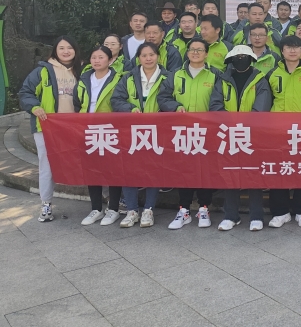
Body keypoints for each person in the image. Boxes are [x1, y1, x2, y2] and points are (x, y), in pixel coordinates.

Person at [158, 38, 219, 230]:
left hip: (206, 131)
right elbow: (163, 97)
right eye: (192, 49)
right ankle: (184, 210)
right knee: (184, 170)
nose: (195, 52)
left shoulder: (215, 75)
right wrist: (175, 106)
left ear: (206, 54)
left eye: (200, 50)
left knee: (205, 170)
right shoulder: (175, 74)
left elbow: (220, 101)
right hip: (182, 132)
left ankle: (203, 208)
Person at [210, 46, 273, 231]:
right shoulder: (222, 80)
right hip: (228, 134)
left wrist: (245, 125)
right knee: (230, 174)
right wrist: (230, 124)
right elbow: (215, 104)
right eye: (237, 57)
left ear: (251, 59)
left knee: (253, 174)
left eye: (244, 56)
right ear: (230, 60)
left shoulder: (260, 80)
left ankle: (256, 216)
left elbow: (261, 107)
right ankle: (231, 216)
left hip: (252, 135)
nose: (241, 59)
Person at [19, 36, 81, 223]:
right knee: (47, 165)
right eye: (61, 48)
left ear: (75, 50)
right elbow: (25, 92)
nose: (66, 51)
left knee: (90, 159)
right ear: (55, 51)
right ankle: (46, 203)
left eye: (69, 47)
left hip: (75, 127)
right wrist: (34, 106)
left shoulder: (82, 70)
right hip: (46, 126)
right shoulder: (43, 71)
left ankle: (104, 201)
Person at [265, 35, 301, 228]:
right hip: (277, 129)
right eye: (288, 47)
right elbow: (266, 100)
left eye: (296, 47)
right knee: (278, 169)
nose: (292, 50)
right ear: (282, 51)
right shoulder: (272, 73)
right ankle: (280, 212)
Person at [111, 42, 167, 228]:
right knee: (129, 169)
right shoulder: (128, 77)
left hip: (158, 131)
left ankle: (148, 210)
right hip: (132, 131)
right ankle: (132, 210)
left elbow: (171, 99)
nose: (148, 58)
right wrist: (130, 108)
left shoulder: (168, 77)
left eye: (152, 55)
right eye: (144, 55)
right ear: (138, 58)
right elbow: (116, 100)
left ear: (158, 56)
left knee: (154, 170)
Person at [74, 46, 124, 226]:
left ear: (110, 60)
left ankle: (113, 209)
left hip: (110, 129)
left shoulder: (119, 78)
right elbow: (77, 103)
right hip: (88, 129)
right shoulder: (84, 79)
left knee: (112, 169)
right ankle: (96, 208)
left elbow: (120, 101)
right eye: (94, 57)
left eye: (101, 57)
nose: (96, 60)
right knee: (92, 169)